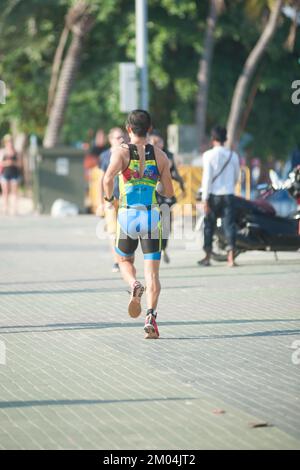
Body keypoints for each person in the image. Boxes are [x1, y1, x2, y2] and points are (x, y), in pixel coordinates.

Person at [103, 110, 174, 339]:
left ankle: (134, 284)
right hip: (152, 216)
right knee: (153, 274)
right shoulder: (161, 156)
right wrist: (156, 186)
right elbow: (169, 192)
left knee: (123, 259)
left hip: (127, 215)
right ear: (150, 129)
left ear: (128, 129)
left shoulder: (120, 153)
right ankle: (151, 318)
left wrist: (110, 200)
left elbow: (107, 179)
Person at [198, 125, 240, 268]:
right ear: (225, 139)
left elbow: (207, 178)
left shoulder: (208, 155)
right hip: (229, 194)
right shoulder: (233, 155)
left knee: (209, 226)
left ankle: (207, 257)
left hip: (213, 196)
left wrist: (204, 199)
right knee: (229, 226)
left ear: (213, 139)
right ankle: (230, 258)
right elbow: (236, 177)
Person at [149, 130, 185, 263]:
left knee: (166, 222)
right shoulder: (147, 154)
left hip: (165, 193)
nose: (155, 143)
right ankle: (153, 247)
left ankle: (163, 247)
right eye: (152, 141)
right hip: (151, 192)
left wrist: (181, 185)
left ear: (162, 142)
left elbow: (174, 172)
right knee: (153, 220)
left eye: (158, 141)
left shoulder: (168, 155)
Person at [98, 128, 125, 273]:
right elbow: (101, 180)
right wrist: (100, 202)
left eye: (123, 137)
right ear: (110, 140)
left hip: (126, 198)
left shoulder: (128, 153)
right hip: (110, 199)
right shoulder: (105, 156)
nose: (121, 140)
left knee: (126, 231)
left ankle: (125, 258)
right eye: (117, 138)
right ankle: (117, 261)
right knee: (113, 232)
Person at [0, 134, 21, 215]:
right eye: (8, 141)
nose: (10, 143)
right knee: (5, 192)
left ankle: (14, 209)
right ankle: (5, 208)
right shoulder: (3, 152)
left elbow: (20, 164)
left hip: (14, 174)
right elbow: (0, 163)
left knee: (15, 192)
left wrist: (13, 163)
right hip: (5, 174)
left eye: (11, 141)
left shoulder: (16, 152)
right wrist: (7, 163)